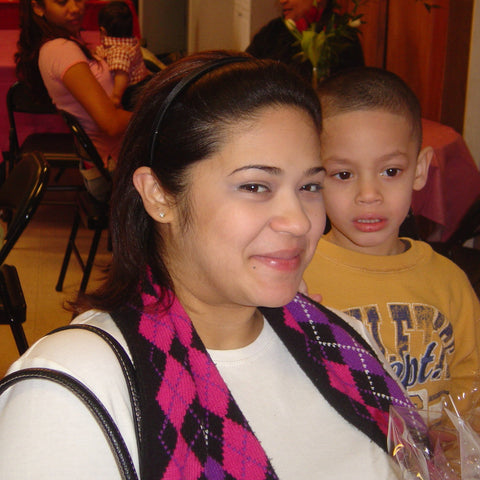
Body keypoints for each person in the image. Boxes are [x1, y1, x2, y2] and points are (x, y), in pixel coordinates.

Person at [0, 52, 415, 479]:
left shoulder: (343, 346)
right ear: (159, 195)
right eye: (255, 186)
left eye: (310, 186)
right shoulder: (71, 394)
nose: (300, 222)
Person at [303, 66, 480, 415]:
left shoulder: (450, 283)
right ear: (314, 176)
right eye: (343, 174)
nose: (369, 194)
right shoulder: (299, 277)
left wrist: (450, 435)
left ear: (419, 169)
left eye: (390, 171)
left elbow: (471, 379)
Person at [15, 0, 132, 202]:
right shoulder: (61, 50)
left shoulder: (61, 44)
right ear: (38, 7)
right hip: (112, 170)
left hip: (110, 162)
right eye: (62, 2)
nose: (75, 8)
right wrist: (158, 111)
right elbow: (111, 124)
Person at [246, 0, 364, 83]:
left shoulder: (341, 34)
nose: (282, 1)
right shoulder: (272, 30)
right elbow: (246, 70)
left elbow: (352, 86)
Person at [95, 0, 151, 110]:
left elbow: (122, 77)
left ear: (103, 31)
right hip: (142, 82)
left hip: (132, 91)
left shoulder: (119, 53)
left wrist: (116, 98)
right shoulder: (130, 41)